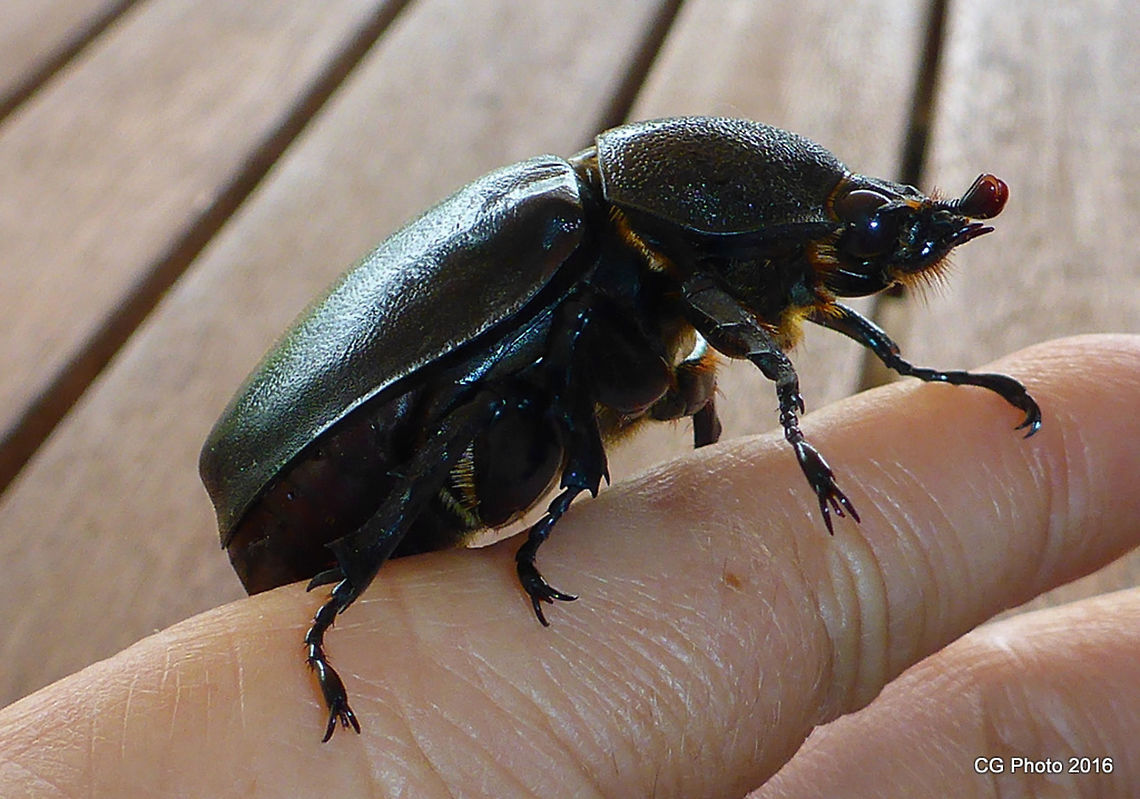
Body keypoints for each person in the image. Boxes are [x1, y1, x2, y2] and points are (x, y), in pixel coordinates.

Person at [1, 334, 1137, 797]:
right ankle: (344, 601)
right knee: (505, 408)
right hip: (321, 485)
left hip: (387, 473)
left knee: (667, 386)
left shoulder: (651, 289)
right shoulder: (586, 241)